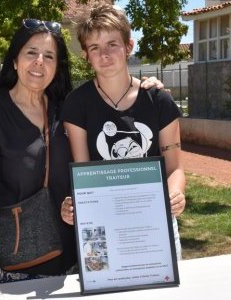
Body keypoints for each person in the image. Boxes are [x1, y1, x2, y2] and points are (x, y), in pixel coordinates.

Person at [0, 18, 165, 290]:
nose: (39, 63)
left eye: (49, 56)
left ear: (57, 67)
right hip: (12, 259)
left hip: (71, 257)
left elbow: (112, 128)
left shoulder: (68, 109)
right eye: (31, 53)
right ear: (14, 60)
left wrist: (145, 91)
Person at [60, 4, 186, 259]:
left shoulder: (159, 100)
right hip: (100, 222)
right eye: (94, 47)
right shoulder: (76, 104)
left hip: (154, 219)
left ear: (129, 46)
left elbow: (175, 169)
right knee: (103, 286)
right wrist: (73, 206)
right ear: (86, 55)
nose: (104, 54)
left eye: (112, 44)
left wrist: (175, 194)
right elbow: (83, 172)